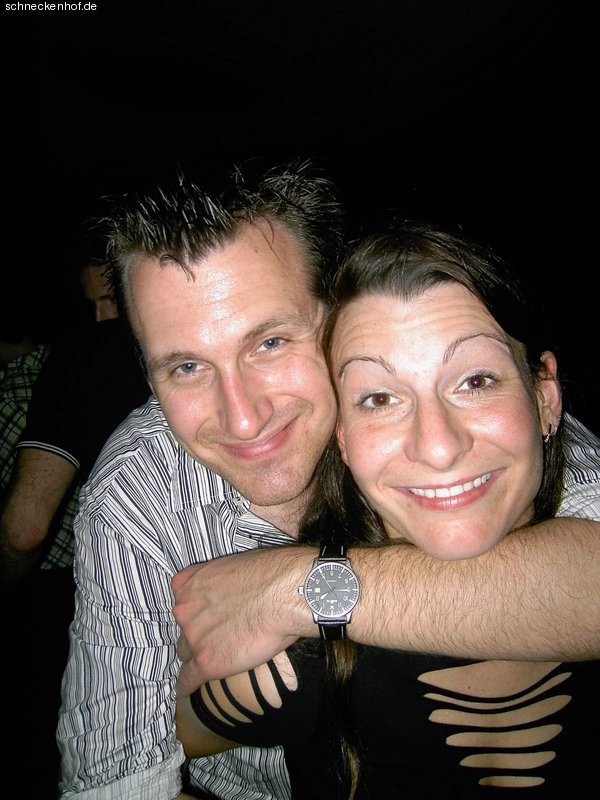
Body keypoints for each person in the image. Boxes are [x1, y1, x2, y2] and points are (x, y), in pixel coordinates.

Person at [57, 163, 599, 800]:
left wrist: (294, 589)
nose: (242, 417)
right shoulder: (133, 494)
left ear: (338, 315)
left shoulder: (491, 414)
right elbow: (117, 778)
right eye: (186, 368)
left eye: (271, 342)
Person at [1, 253, 149, 796]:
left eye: (113, 300)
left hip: (88, 597)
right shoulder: (185, 355)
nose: (102, 318)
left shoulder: (80, 357)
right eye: (91, 305)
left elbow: (24, 529)